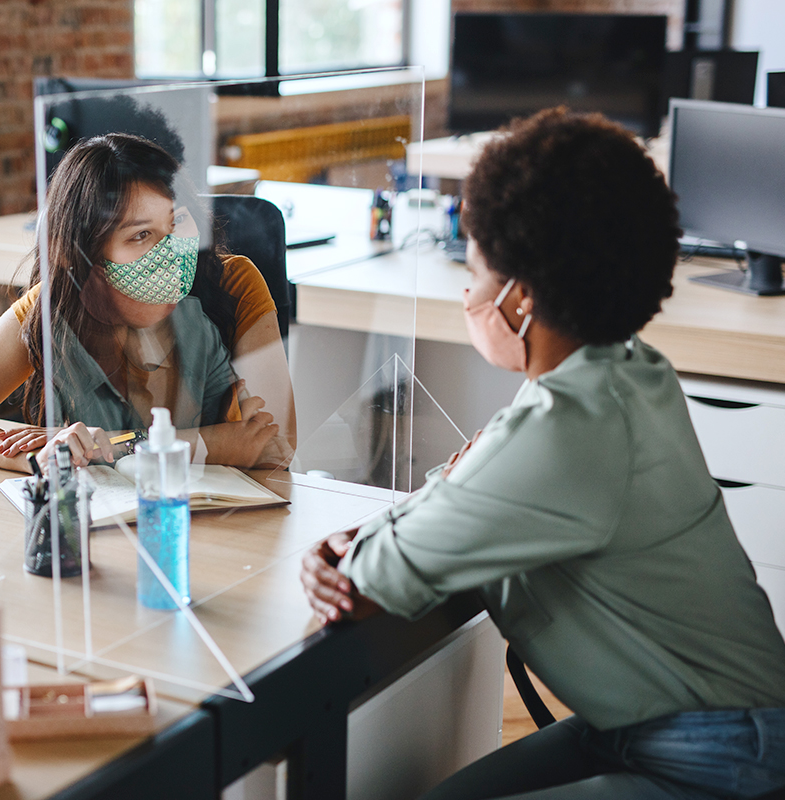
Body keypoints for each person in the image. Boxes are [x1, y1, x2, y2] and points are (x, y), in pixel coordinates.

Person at [300, 108, 785, 799]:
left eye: (473, 273)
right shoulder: (629, 366)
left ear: (520, 298)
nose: (468, 294)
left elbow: (377, 575)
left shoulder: (566, 430)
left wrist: (353, 550)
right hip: (656, 719)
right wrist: (409, 520)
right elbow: (473, 485)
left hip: (722, 753)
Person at [0, 133, 290, 472]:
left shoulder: (235, 283)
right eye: (141, 235)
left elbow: (277, 445)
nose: (171, 250)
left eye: (177, 221)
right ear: (85, 256)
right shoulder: (58, 299)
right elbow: (235, 445)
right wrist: (46, 459)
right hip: (105, 515)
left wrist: (116, 444)